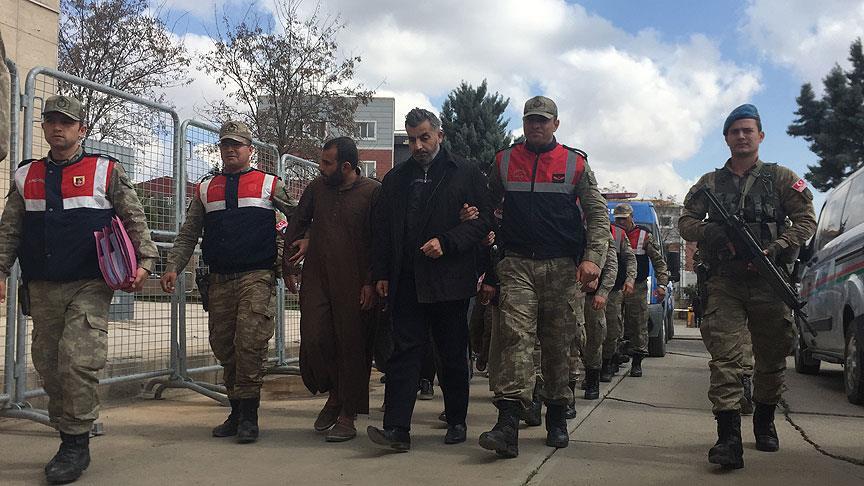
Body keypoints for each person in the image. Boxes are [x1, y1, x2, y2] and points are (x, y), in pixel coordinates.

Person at [0, 95, 158, 484]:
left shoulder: (105, 170)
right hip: (42, 286)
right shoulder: (26, 175)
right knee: (50, 364)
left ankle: (75, 442)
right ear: (44, 127)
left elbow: (133, 215)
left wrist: (146, 260)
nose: (58, 128)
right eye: (51, 121)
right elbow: (10, 229)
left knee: (77, 359)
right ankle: (66, 429)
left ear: (81, 129)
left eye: (66, 122)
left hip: (90, 283)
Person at [679, 104, 816, 470]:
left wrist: (778, 247)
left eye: (748, 130)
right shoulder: (709, 184)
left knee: (771, 359)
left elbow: (806, 221)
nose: (742, 136)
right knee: (726, 358)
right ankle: (728, 438)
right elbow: (685, 222)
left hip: (770, 280)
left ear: (760, 136)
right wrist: (712, 231)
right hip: (725, 281)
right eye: (735, 131)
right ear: (726, 138)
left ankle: (765, 419)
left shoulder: (782, 178)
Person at [480, 96, 609, 458]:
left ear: (555, 124)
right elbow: (487, 206)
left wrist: (592, 259)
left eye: (542, 120)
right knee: (515, 339)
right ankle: (508, 423)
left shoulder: (575, 163)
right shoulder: (504, 161)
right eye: (530, 120)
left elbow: (599, 217)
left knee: (559, 344)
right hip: (517, 264)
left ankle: (556, 417)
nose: (535, 126)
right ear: (523, 123)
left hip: (563, 268)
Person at [160, 121, 296, 444]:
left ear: (251, 149)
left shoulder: (269, 184)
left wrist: (294, 259)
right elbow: (189, 232)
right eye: (225, 145)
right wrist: (173, 266)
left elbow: (298, 218)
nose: (231, 149)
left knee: (249, 344)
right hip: (219, 281)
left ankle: (250, 416)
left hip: (256, 278)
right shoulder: (206, 189)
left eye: (237, 144)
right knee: (224, 346)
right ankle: (235, 412)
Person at [367, 108, 491, 451]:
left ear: (440, 135)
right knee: (404, 353)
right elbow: (382, 232)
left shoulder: (464, 173)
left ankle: (456, 420)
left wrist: (447, 242)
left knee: (450, 353)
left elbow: (482, 225)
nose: (418, 145)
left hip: (449, 279)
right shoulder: (396, 179)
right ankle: (396, 430)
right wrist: (380, 274)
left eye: (424, 137)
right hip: (406, 280)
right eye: (412, 139)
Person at [283, 136, 380, 442]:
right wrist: (287, 265)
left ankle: (347, 415)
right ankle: (335, 394)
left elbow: (379, 242)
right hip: (317, 280)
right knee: (314, 338)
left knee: (352, 347)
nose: (321, 168)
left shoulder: (373, 193)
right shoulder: (317, 189)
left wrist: (370, 282)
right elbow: (298, 223)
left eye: (327, 163)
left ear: (347, 166)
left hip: (355, 282)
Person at [613, 202, 668, 377]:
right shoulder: (613, 234)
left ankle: (637, 361)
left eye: (624, 219)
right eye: (618, 219)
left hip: (637, 286)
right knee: (613, 323)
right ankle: (613, 358)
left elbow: (658, 261)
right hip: (614, 286)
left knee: (638, 323)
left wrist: (662, 284)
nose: (621, 222)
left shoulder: (644, 235)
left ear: (631, 217)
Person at [575, 236, 619, 404]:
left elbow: (611, 265)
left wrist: (603, 292)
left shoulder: (601, 232)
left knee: (594, 338)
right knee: (572, 339)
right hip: (570, 293)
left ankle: (593, 379)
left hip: (592, 297)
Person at [599, 223, 637, 382]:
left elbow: (630, 258)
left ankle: (607, 362)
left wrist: (630, 279)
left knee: (612, 328)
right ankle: (593, 367)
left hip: (614, 290)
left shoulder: (619, 234)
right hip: (587, 290)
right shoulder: (582, 226)